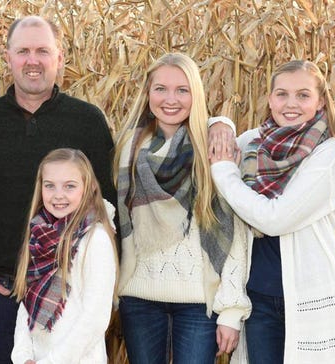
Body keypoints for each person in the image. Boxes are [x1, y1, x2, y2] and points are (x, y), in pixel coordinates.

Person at [0, 15, 116, 363]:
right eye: (23, 51)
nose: (33, 60)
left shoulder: (87, 121)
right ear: (7, 57)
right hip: (2, 291)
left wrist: (105, 287)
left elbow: (108, 207)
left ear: (60, 57)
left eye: (43, 50)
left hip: (72, 291)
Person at [209, 60, 335, 363]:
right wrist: (220, 123)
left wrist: (225, 171)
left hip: (307, 295)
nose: (291, 104)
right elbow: (211, 143)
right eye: (282, 94)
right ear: (269, 99)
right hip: (259, 297)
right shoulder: (255, 142)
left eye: (303, 95)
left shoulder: (329, 152)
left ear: (320, 102)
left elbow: (275, 219)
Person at [114, 52, 251, 364]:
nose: (170, 99)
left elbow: (233, 232)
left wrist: (231, 310)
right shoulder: (127, 149)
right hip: (139, 297)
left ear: (196, 95)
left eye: (182, 90)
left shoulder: (214, 149)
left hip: (199, 302)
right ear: (147, 93)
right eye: (160, 88)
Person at [10, 148, 118, 364]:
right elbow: (27, 303)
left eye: (69, 186)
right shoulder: (40, 234)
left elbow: (95, 317)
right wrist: (23, 357)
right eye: (50, 186)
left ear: (88, 188)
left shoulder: (95, 240)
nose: (58, 195)